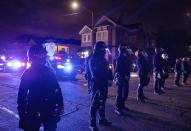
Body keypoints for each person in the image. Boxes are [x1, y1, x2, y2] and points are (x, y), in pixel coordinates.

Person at [17, 44, 64, 131]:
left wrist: (60, 105)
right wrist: (22, 115)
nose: (43, 57)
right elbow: (21, 96)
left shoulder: (49, 71)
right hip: (34, 110)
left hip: (49, 109)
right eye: (40, 54)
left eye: (43, 54)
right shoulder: (28, 73)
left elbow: (57, 90)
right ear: (33, 57)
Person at [88, 41, 113, 131]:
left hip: (103, 84)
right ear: (97, 49)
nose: (103, 50)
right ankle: (92, 123)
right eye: (102, 48)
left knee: (102, 102)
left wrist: (110, 78)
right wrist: (97, 86)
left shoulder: (103, 59)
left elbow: (108, 70)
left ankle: (102, 119)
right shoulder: (93, 59)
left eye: (104, 48)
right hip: (96, 85)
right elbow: (94, 74)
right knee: (94, 105)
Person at [114, 44, 131, 115]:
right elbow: (117, 70)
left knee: (125, 93)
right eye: (126, 49)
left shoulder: (125, 57)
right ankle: (117, 108)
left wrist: (128, 76)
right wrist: (123, 76)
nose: (127, 50)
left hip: (125, 78)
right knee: (120, 94)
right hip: (121, 78)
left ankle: (122, 105)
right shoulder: (120, 58)